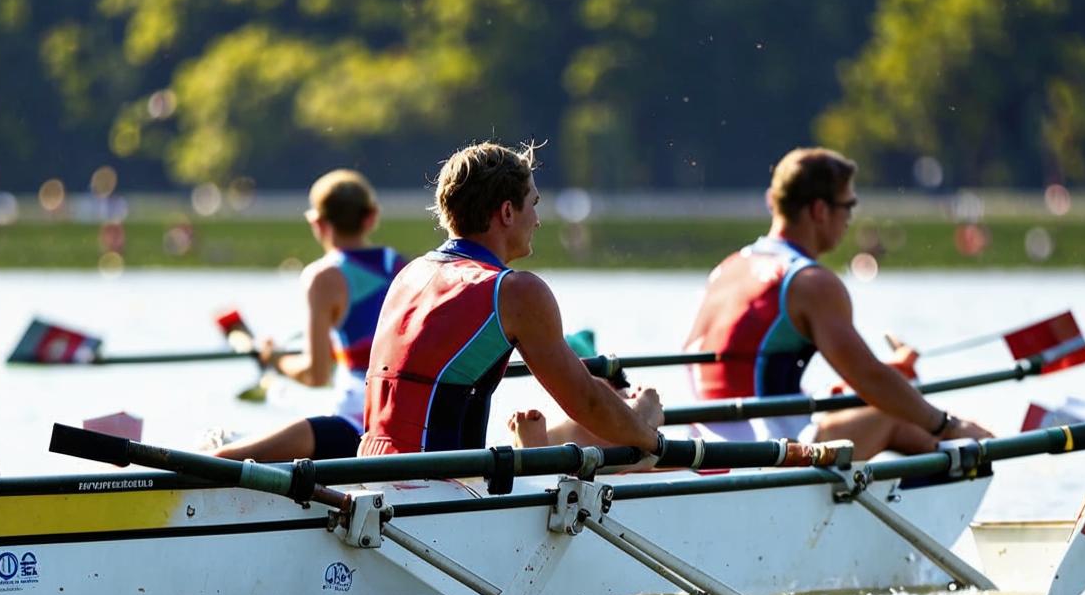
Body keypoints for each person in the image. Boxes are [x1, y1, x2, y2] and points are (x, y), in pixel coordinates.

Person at [684, 147, 992, 460]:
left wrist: (881, 383)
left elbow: (744, 369)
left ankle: (953, 457)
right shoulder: (810, 281)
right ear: (819, 210)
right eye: (848, 206)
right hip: (768, 455)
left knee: (899, 416)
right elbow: (869, 376)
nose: (849, 219)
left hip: (705, 445)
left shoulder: (726, 269)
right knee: (897, 411)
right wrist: (948, 425)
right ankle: (970, 452)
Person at [359, 141, 661, 457]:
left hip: (370, 470)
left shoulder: (410, 274)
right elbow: (587, 403)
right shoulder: (515, 291)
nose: (537, 220)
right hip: (433, 488)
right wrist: (651, 435)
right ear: (507, 212)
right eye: (534, 203)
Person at [210, 169, 406, 461]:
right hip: (402, 425)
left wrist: (275, 358)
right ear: (372, 217)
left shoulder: (323, 277)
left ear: (317, 222)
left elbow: (316, 375)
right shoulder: (401, 266)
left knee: (221, 456)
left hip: (355, 427)